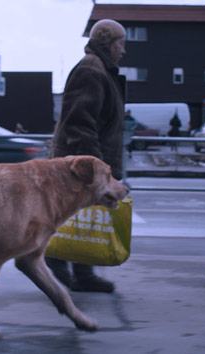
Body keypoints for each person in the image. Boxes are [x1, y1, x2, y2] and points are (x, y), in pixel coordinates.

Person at [47, 19, 127, 293]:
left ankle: (81, 272)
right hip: (82, 163)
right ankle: (55, 257)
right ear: (108, 42)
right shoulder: (92, 70)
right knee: (76, 213)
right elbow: (80, 122)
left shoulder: (100, 69)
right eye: (121, 44)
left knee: (85, 215)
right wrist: (97, 170)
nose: (123, 51)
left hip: (86, 159)